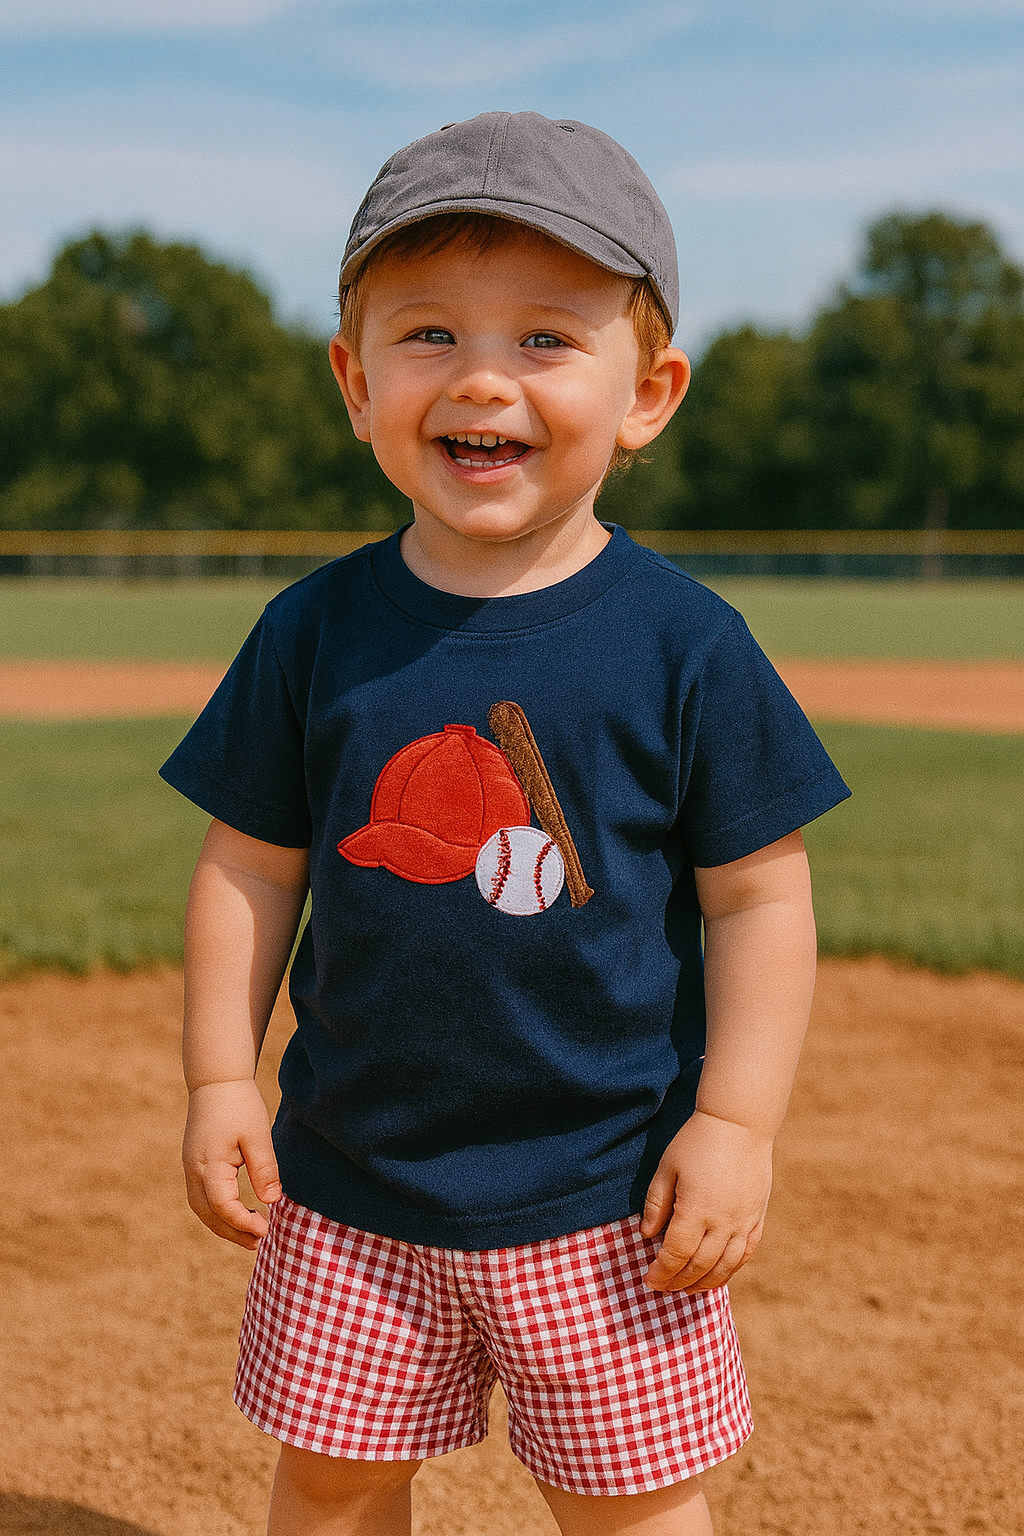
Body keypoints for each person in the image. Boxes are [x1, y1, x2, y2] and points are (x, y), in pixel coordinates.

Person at [160, 111, 850, 1536]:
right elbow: (247, 865)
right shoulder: (314, 633)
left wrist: (735, 1122)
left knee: (634, 1501)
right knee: (335, 1486)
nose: (485, 377)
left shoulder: (687, 646)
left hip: (612, 1194)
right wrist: (222, 1080)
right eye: (429, 336)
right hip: (353, 1180)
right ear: (355, 382)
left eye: (548, 339)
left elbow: (759, 903)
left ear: (648, 391)